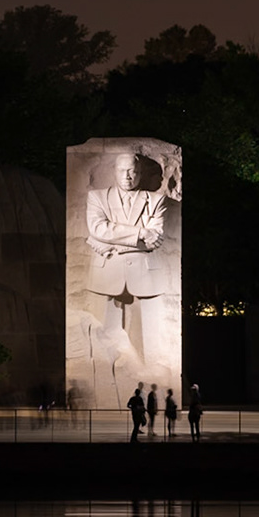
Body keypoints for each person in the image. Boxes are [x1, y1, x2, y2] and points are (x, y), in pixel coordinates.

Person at [86, 151, 170, 370]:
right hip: (107, 273)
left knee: (146, 341)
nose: (127, 176)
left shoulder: (156, 200)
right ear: (114, 171)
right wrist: (140, 233)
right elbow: (97, 228)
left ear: (139, 173)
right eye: (122, 170)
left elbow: (155, 239)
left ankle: (148, 372)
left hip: (144, 274)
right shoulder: (97, 197)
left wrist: (110, 241)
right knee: (101, 335)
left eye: (132, 170)